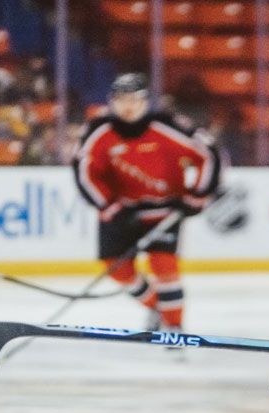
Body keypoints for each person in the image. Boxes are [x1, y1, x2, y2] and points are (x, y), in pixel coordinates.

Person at [72, 73, 222, 333]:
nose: (128, 106)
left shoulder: (168, 126)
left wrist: (197, 195)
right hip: (121, 210)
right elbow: (85, 171)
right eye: (121, 100)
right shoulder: (99, 131)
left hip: (163, 212)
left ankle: (174, 327)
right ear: (111, 102)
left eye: (134, 99)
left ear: (146, 101)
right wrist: (109, 207)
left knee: (164, 266)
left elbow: (209, 155)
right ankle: (157, 308)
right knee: (116, 269)